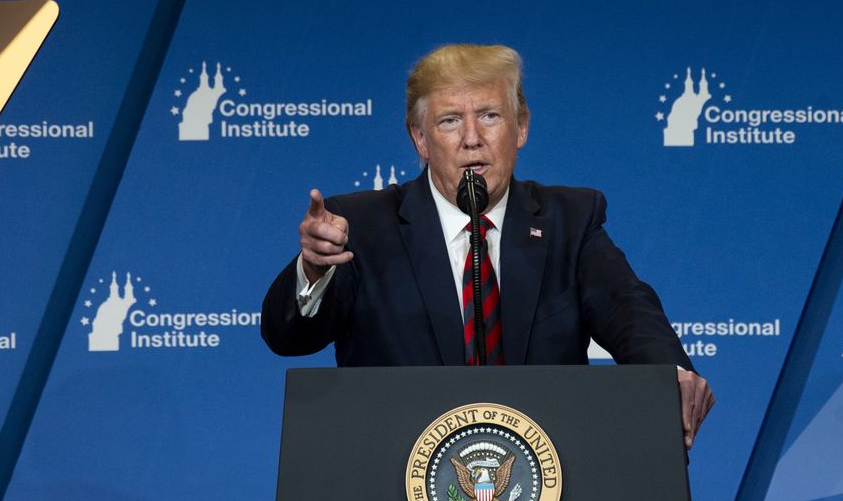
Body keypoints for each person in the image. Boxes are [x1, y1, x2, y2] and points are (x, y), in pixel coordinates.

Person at [261, 44, 714, 446]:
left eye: (490, 116)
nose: (472, 138)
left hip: (545, 486)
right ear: (420, 138)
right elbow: (288, 339)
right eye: (450, 120)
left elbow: (629, 310)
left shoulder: (568, 221)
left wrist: (668, 374)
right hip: (393, 486)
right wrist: (314, 270)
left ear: (521, 128)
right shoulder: (361, 225)